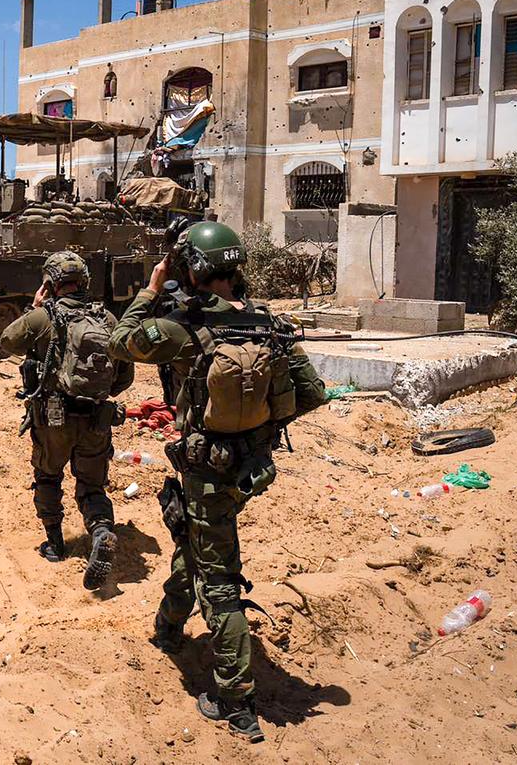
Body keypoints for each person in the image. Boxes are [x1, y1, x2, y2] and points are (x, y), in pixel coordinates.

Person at [107, 221, 326, 743]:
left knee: (220, 580)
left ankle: (236, 701)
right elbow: (313, 394)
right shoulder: (269, 325)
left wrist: (153, 285)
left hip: (205, 469)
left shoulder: (185, 328)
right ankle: (168, 626)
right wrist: (257, 432)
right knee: (200, 541)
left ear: (191, 270)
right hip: (248, 469)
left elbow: (119, 341)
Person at [0, 251, 134, 591]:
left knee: (48, 476)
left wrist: (34, 308)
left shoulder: (44, 316)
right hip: (97, 419)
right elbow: (124, 378)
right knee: (92, 486)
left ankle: (56, 545)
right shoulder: (107, 319)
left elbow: (7, 340)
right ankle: (101, 532)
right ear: (84, 282)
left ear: (50, 283)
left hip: (54, 418)